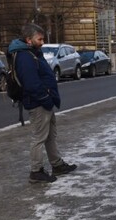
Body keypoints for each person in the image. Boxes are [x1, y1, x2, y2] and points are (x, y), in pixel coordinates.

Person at [8, 23, 77, 183]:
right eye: (39, 39)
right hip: (38, 103)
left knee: (50, 135)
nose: (42, 42)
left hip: (44, 101)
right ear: (28, 40)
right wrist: (45, 98)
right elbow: (31, 83)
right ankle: (36, 171)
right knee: (39, 137)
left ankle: (57, 164)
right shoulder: (25, 56)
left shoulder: (32, 53)